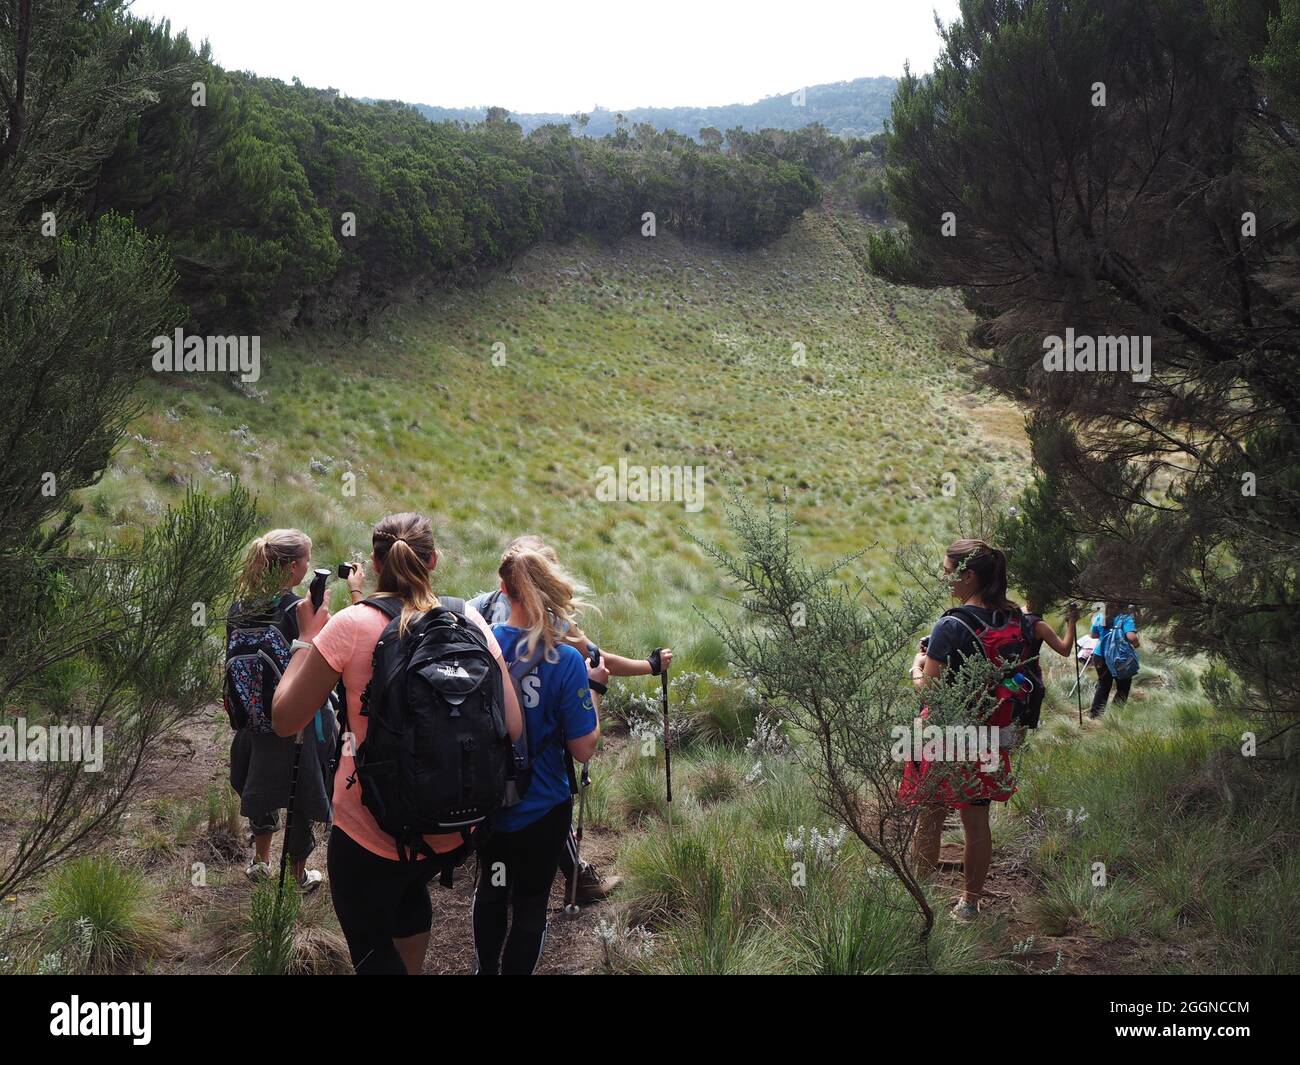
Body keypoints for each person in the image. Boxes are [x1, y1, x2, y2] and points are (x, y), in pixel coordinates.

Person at [270, 513, 522, 975]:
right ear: (434, 560)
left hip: (370, 830)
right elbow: (512, 724)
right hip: (449, 828)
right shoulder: (469, 620)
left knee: (369, 940)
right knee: (409, 894)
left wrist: (304, 641)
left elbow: (285, 720)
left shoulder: (348, 626)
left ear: (374, 562)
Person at [468, 534, 671, 903]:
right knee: (544, 792)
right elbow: (597, 662)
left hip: (485, 768)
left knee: (494, 883)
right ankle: (575, 878)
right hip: (542, 763)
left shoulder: (477, 614)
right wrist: (648, 668)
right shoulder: (556, 629)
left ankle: (501, 884)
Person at [472, 537, 606, 974]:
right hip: (543, 806)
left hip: (489, 801)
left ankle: (484, 969)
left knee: (492, 890)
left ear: (502, 588)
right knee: (530, 906)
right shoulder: (566, 659)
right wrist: (596, 688)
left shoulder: (482, 645)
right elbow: (583, 748)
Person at [901, 538, 1025, 922]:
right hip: (989, 731)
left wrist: (917, 669)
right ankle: (969, 904)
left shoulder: (950, 625)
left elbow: (933, 692)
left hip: (944, 733)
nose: (944, 578)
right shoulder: (1012, 619)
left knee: (931, 815)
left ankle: (918, 901)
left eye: (947, 571)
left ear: (968, 575)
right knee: (976, 821)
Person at [227, 529, 335, 893]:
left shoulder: (238, 607)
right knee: (300, 795)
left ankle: (261, 861)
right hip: (295, 719)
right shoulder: (296, 610)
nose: (309, 565)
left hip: (253, 721)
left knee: (258, 785)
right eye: (307, 560)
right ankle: (297, 876)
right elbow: (316, 662)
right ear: (293, 567)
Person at [1020, 598, 1082, 728]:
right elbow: (1065, 650)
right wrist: (1072, 622)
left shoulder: (1015, 614)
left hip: (1009, 675)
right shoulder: (1039, 625)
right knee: (1022, 728)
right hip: (1029, 679)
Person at [1089, 602, 1140, 717]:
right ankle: (1114, 716)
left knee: (1103, 684)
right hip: (1119, 657)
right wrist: (1137, 644)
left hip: (1100, 655)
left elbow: (1093, 635)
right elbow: (1131, 637)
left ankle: (1095, 715)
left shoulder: (1099, 616)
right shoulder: (1125, 618)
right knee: (1123, 687)